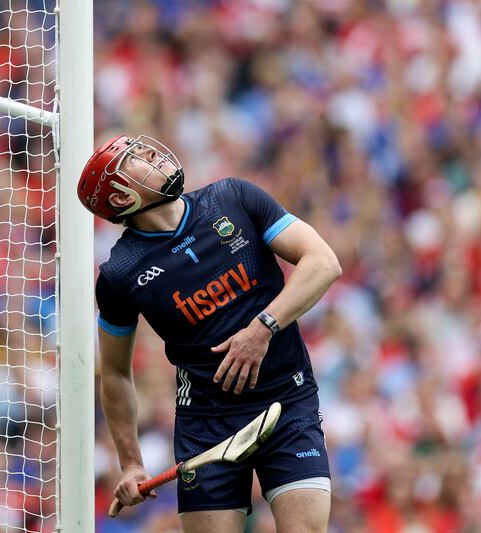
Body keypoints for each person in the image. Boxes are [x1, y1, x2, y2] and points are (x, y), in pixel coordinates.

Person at [80, 134, 341, 533]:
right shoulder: (120, 275)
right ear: (120, 198)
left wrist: (262, 328)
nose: (151, 152)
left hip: (288, 399)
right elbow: (115, 372)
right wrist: (130, 462)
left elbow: (322, 262)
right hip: (206, 425)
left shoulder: (233, 198)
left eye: (144, 148)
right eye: (134, 159)